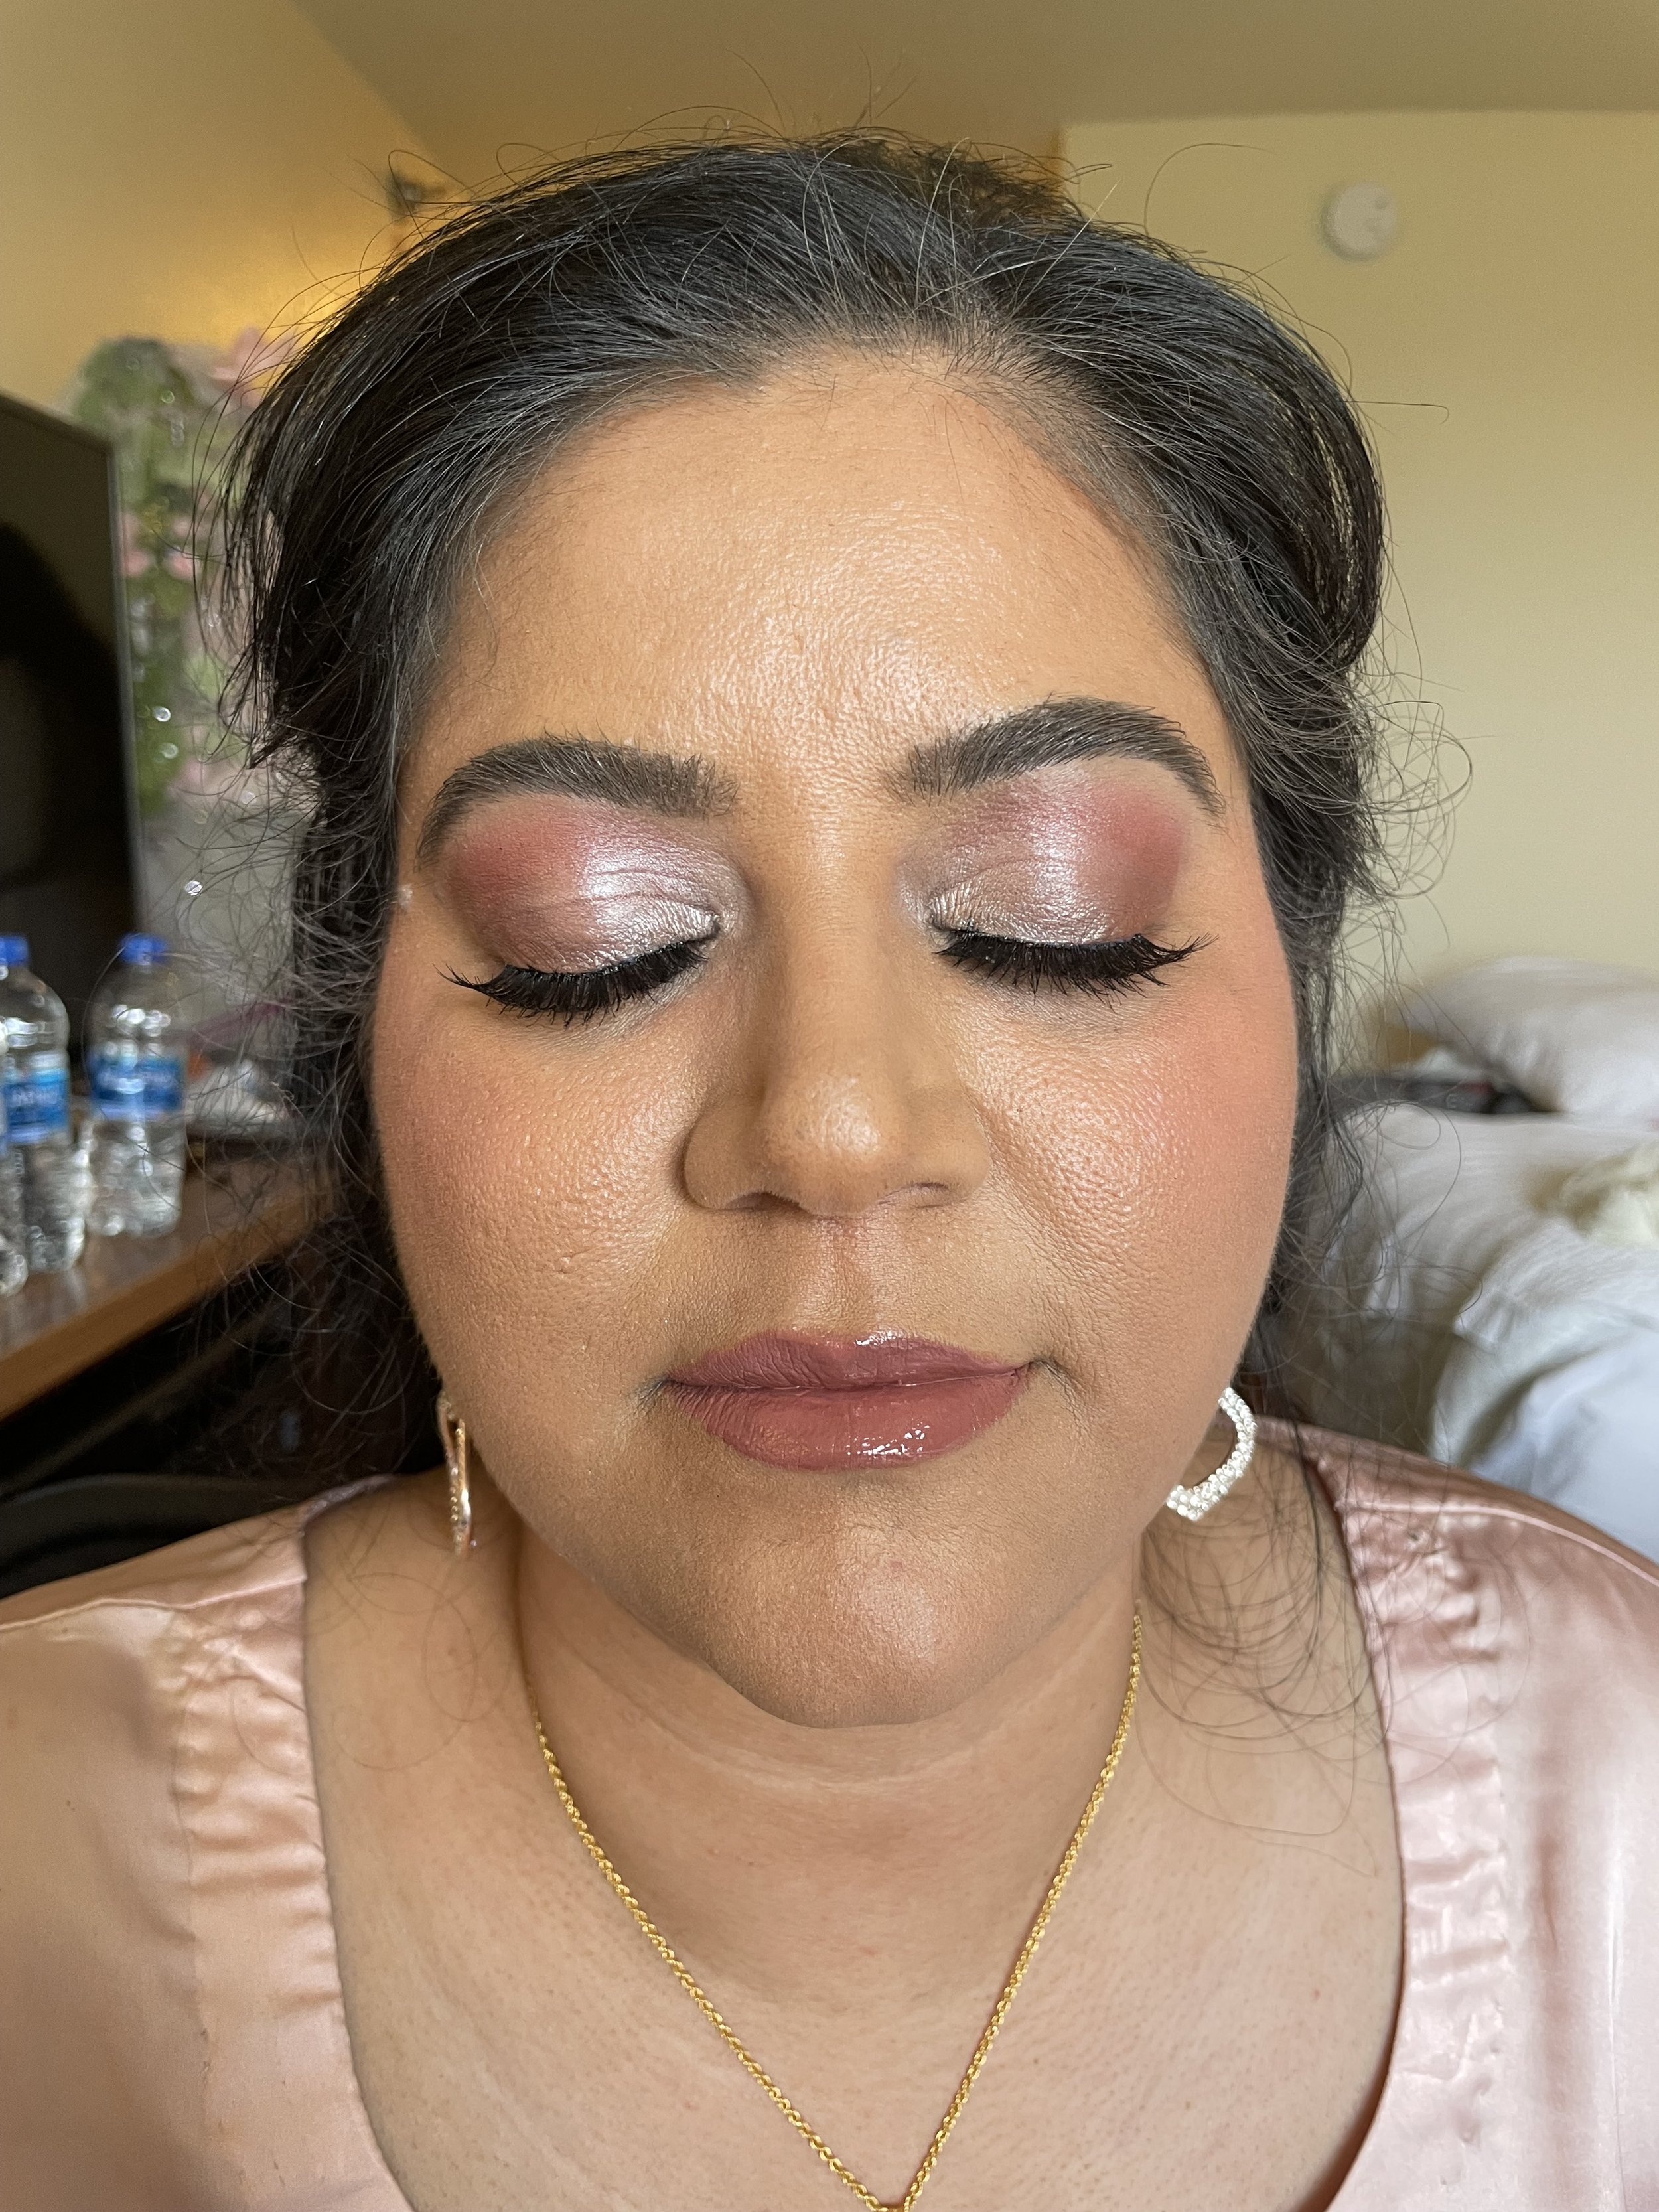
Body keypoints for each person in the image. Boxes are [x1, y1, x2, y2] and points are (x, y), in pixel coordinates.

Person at [1, 137, 1654, 2211]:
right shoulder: (40, 1866)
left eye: (1053, 917)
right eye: (593, 937)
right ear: (362, 1029)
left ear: (1293, 974)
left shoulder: (1619, 1788)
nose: (836, 1129)